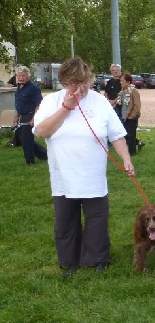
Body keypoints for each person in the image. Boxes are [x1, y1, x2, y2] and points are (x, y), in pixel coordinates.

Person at [33, 56, 134, 277]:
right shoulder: (51, 101)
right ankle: (69, 261)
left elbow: (117, 135)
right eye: (74, 84)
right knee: (66, 221)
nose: (81, 88)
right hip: (63, 176)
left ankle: (97, 259)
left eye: (85, 83)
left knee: (97, 219)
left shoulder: (99, 102)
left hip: (93, 175)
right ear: (64, 83)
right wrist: (66, 108)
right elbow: (41, 132)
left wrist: (126, 159)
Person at [13, 65, 48, 165]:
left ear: (29, 76)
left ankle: (30, 161)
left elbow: (38, 104)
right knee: (21, 138)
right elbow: (19, 103)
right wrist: (16, 116)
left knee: (26, 139)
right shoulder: (19, 87)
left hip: (30, 115)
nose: (20, 78)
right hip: (22, 115)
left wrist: (34, 118)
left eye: (23, 75)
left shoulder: (34, 88)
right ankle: (45, 155)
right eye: (19, 75)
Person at [118, 72, 144, 155]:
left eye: (122, 81)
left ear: (128, 82)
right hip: (123, 116)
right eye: (120, 80)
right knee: (126, 135)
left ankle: (132, 153)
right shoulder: (122, 91)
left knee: (131, 136)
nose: (120, 82)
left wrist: (131, 116)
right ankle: (139, 142)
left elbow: (137, 106)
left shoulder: (134, 91)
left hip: (131, 117)